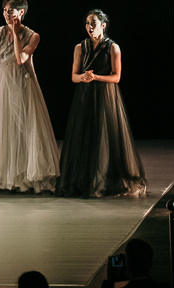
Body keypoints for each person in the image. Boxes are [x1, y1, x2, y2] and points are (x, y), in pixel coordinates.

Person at [56, 10, 147, 197]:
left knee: (104, 137)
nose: (90, 27)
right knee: (85, 137)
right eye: (87, 23)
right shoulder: (80, 47)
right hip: (85, 96)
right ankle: (84, 180)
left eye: (94, 23)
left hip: (105, 96)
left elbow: (116, 77)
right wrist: (83, 77)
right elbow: (73, 76)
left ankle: (105, 180)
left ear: (103, 25)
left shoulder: (113, 47)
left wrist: (96, 77)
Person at [0, 0, 60, 192]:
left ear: (21, 12)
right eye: (5, 10)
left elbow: (20, 59)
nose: (7, 14)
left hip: (23, 83)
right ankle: (8, 178)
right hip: (1, 85)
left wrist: (16, 34)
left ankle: (26, 177)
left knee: (25, 127)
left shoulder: (33, 36)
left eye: (11, 11)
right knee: (5, 128)